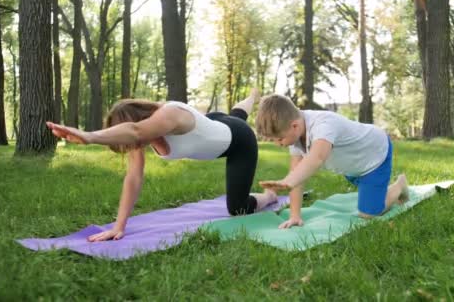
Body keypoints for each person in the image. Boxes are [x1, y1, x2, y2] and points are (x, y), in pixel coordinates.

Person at [46, 88, 277, 242]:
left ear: (140, 120)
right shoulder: (141, 135)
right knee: (235, 115)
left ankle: (269, 196)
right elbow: (134, 178)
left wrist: (89, 136)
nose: (132, 147)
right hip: (215, 124)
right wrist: (119, 226)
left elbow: (135, 131)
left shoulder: (170, 114)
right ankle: (252, 96)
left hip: (238, 141)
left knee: (237, 209)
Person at [256, 94, 408, 229]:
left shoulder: (323, 124)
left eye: (279, 139)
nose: (278, 144)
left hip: (375, 156)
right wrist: (295, 216)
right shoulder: (294, 135)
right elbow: (297, 176)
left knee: (368, 214)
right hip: (352, 166)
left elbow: (317, 158)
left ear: (294, 126)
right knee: (368, 190)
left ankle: (399, 185)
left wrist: (288, 181)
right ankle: (374, 189)